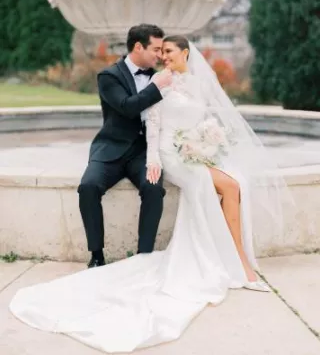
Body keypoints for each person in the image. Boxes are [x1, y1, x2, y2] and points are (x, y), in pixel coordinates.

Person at [10, 36, 290, 353]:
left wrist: (209, 143)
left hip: (193, 151)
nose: (163, 56)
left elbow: (204, 122)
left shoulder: (198, 84)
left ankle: (234, 257)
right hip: (172, 155)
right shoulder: (159, 80)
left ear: (185, 53)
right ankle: (242, 264)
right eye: (160, 51)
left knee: (236, 181)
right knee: (230, 185)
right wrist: (154, 160)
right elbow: (153, 124)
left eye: (169, 51)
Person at [78, 24, 172, 268]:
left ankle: (144, 257)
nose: (160, 56)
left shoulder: (160, 75)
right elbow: (128, 107)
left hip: (143, 152)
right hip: (111, 147)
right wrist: (156, 87)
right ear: (138, 47)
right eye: (156, 49)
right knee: (88, 187)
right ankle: (97, 256)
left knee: (153, 188)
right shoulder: (109, 76)